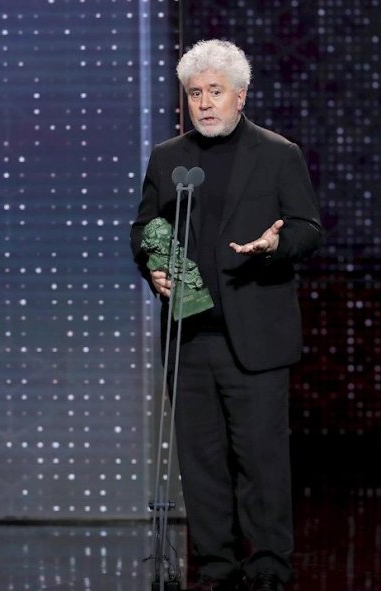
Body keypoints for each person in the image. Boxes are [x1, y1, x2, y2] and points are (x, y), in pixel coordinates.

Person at [130, 40, 324, 591]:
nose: (205, 104)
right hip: (190, 337)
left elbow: (308, 229)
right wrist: (153, 268)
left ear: (240, 96)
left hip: (256, 338)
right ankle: (215, 567)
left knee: (261, 462)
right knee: (202, 461)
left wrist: (274, 246)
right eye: (195, 94)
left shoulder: (277, 153)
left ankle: (268, 567)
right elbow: (142, 228)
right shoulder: (169, 158)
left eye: (216, 92)